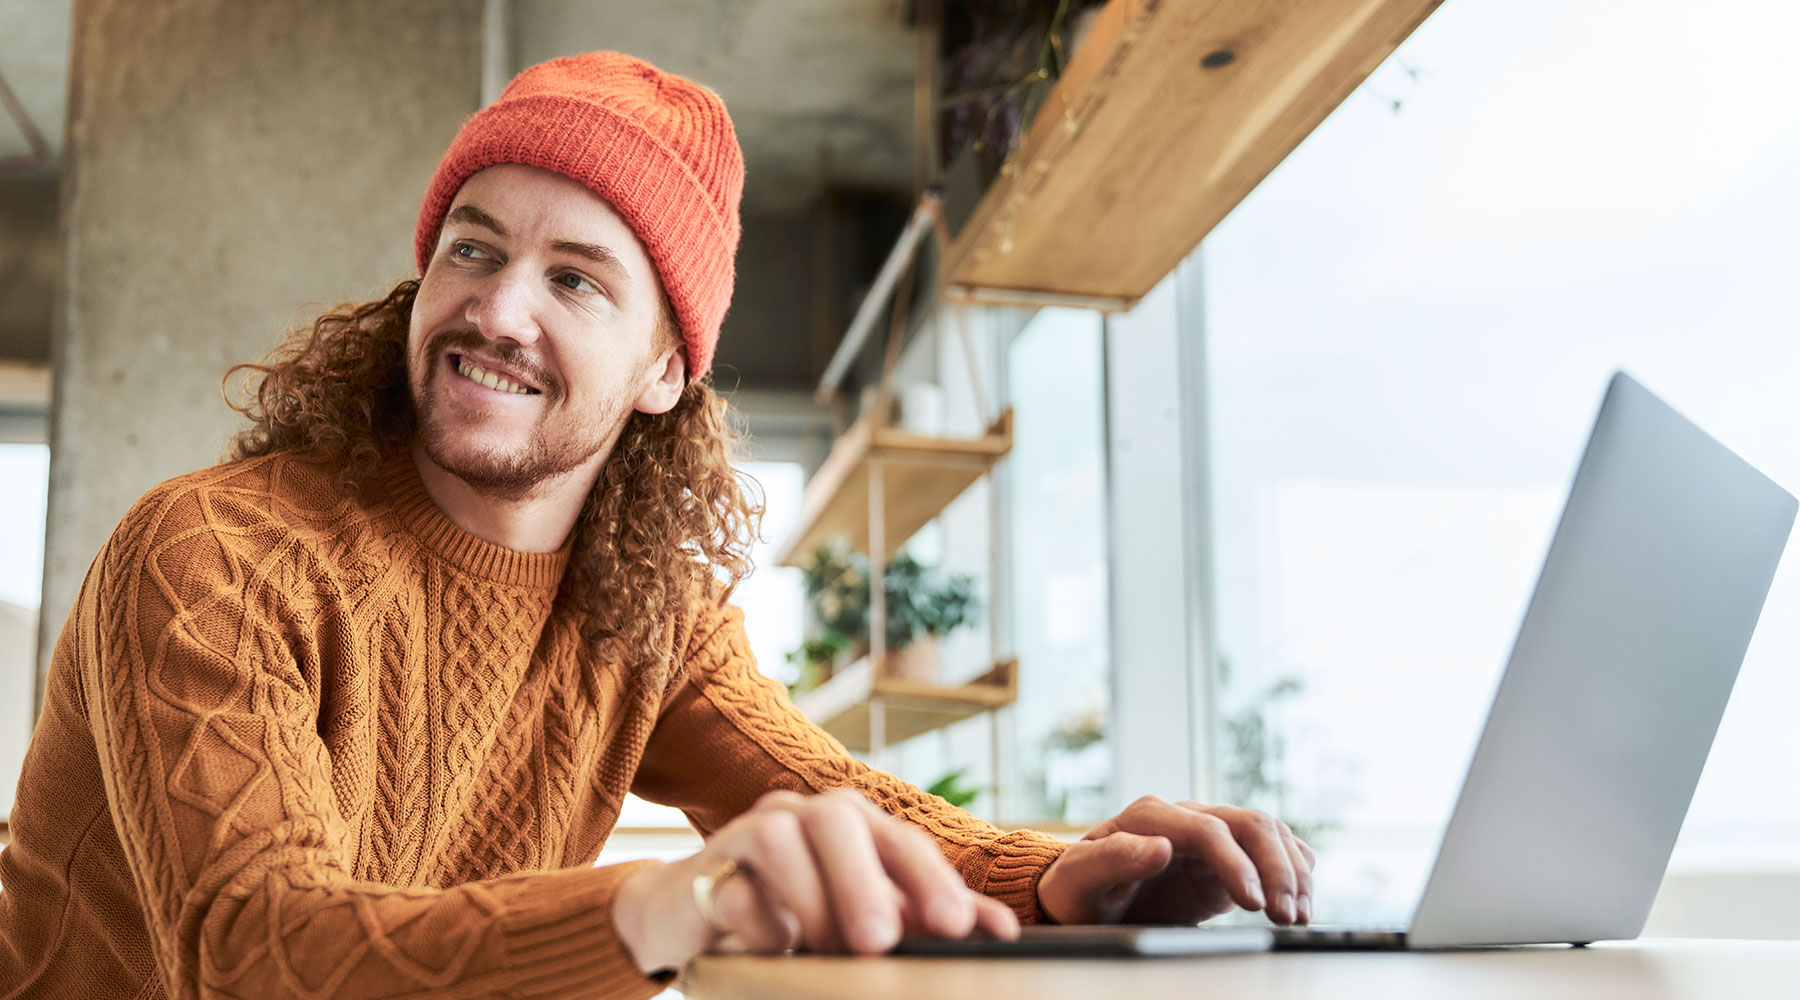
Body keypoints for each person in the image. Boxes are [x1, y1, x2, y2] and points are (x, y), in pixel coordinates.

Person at [0, 51, 1312, 999]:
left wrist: (1076, 874)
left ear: (665, 370)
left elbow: (831, 797)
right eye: (473, 248)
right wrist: (668, 900)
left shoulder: (644, 615)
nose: (500, 311)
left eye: (577, 279)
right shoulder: (212, 556)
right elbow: (257, 958)